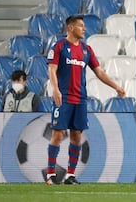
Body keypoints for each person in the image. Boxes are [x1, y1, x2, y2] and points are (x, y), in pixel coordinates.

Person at [46, 15, 125, 185]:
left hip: (80, 99)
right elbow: (52, 69)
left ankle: (70, 175)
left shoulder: (86, 50)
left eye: (84, 26)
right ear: (71, 28)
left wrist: (116, 87)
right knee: (58, 134)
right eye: (81, 26)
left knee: (76, 136)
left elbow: (99, 72)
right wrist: (56, 89)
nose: (84, 29)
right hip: (64, 97)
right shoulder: (59, 46)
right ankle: (50, 175)